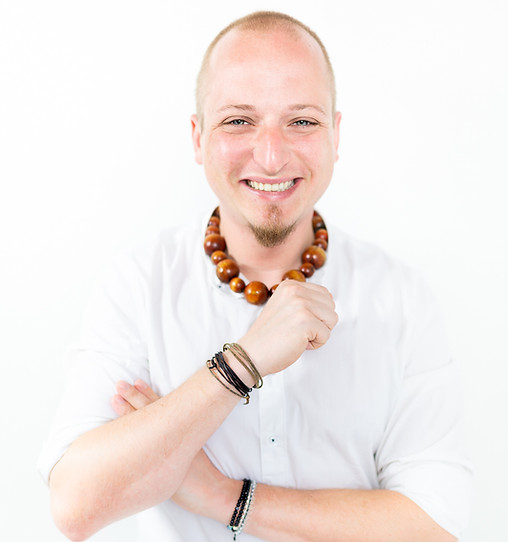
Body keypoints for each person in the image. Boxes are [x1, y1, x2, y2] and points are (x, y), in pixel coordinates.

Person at [38, 10, 472, 542]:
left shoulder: (400, 297)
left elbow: (437, 527)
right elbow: (74, 506)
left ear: (335, 135)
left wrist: (221, 495)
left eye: (302, 121)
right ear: (198, 138)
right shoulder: (138, 284)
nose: (270, 157)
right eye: (238, 121)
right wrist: (239, 366)